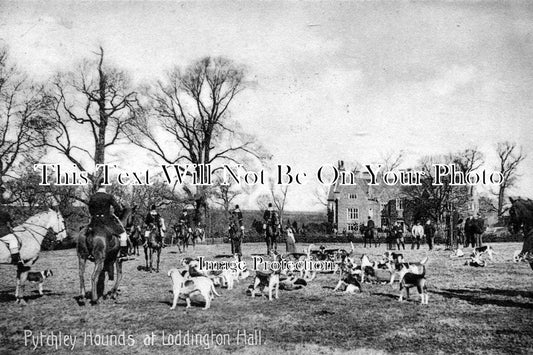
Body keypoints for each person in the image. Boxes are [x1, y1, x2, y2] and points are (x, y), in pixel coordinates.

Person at [87, 180, 129, 258]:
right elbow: (118, 208)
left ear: (98, 185)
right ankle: (124, 253)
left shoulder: (93, 197)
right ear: (105, 186)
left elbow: (90, 209)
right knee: (123, 235)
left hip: (95, 222)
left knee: (87, 234)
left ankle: (89, 253)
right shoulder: (109, 196)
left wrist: (95, 215)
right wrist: (114, 214)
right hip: (107, 221)